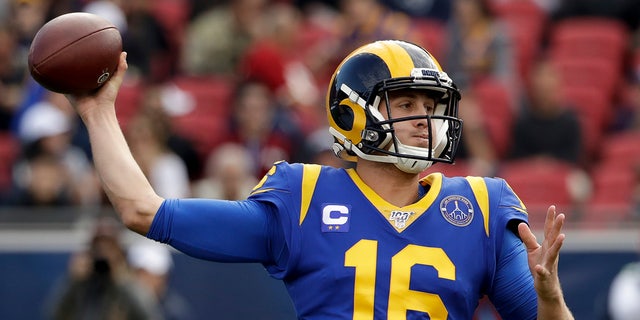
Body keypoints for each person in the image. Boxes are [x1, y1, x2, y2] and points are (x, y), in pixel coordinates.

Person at [66, 39, 574, 319]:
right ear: (353, 114)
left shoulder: (481, 204)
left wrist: (551, 299)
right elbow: (142, 210)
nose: (423, 119)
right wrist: (98, 113)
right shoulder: (303, 198)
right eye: (404, 104)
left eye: (430, 106)